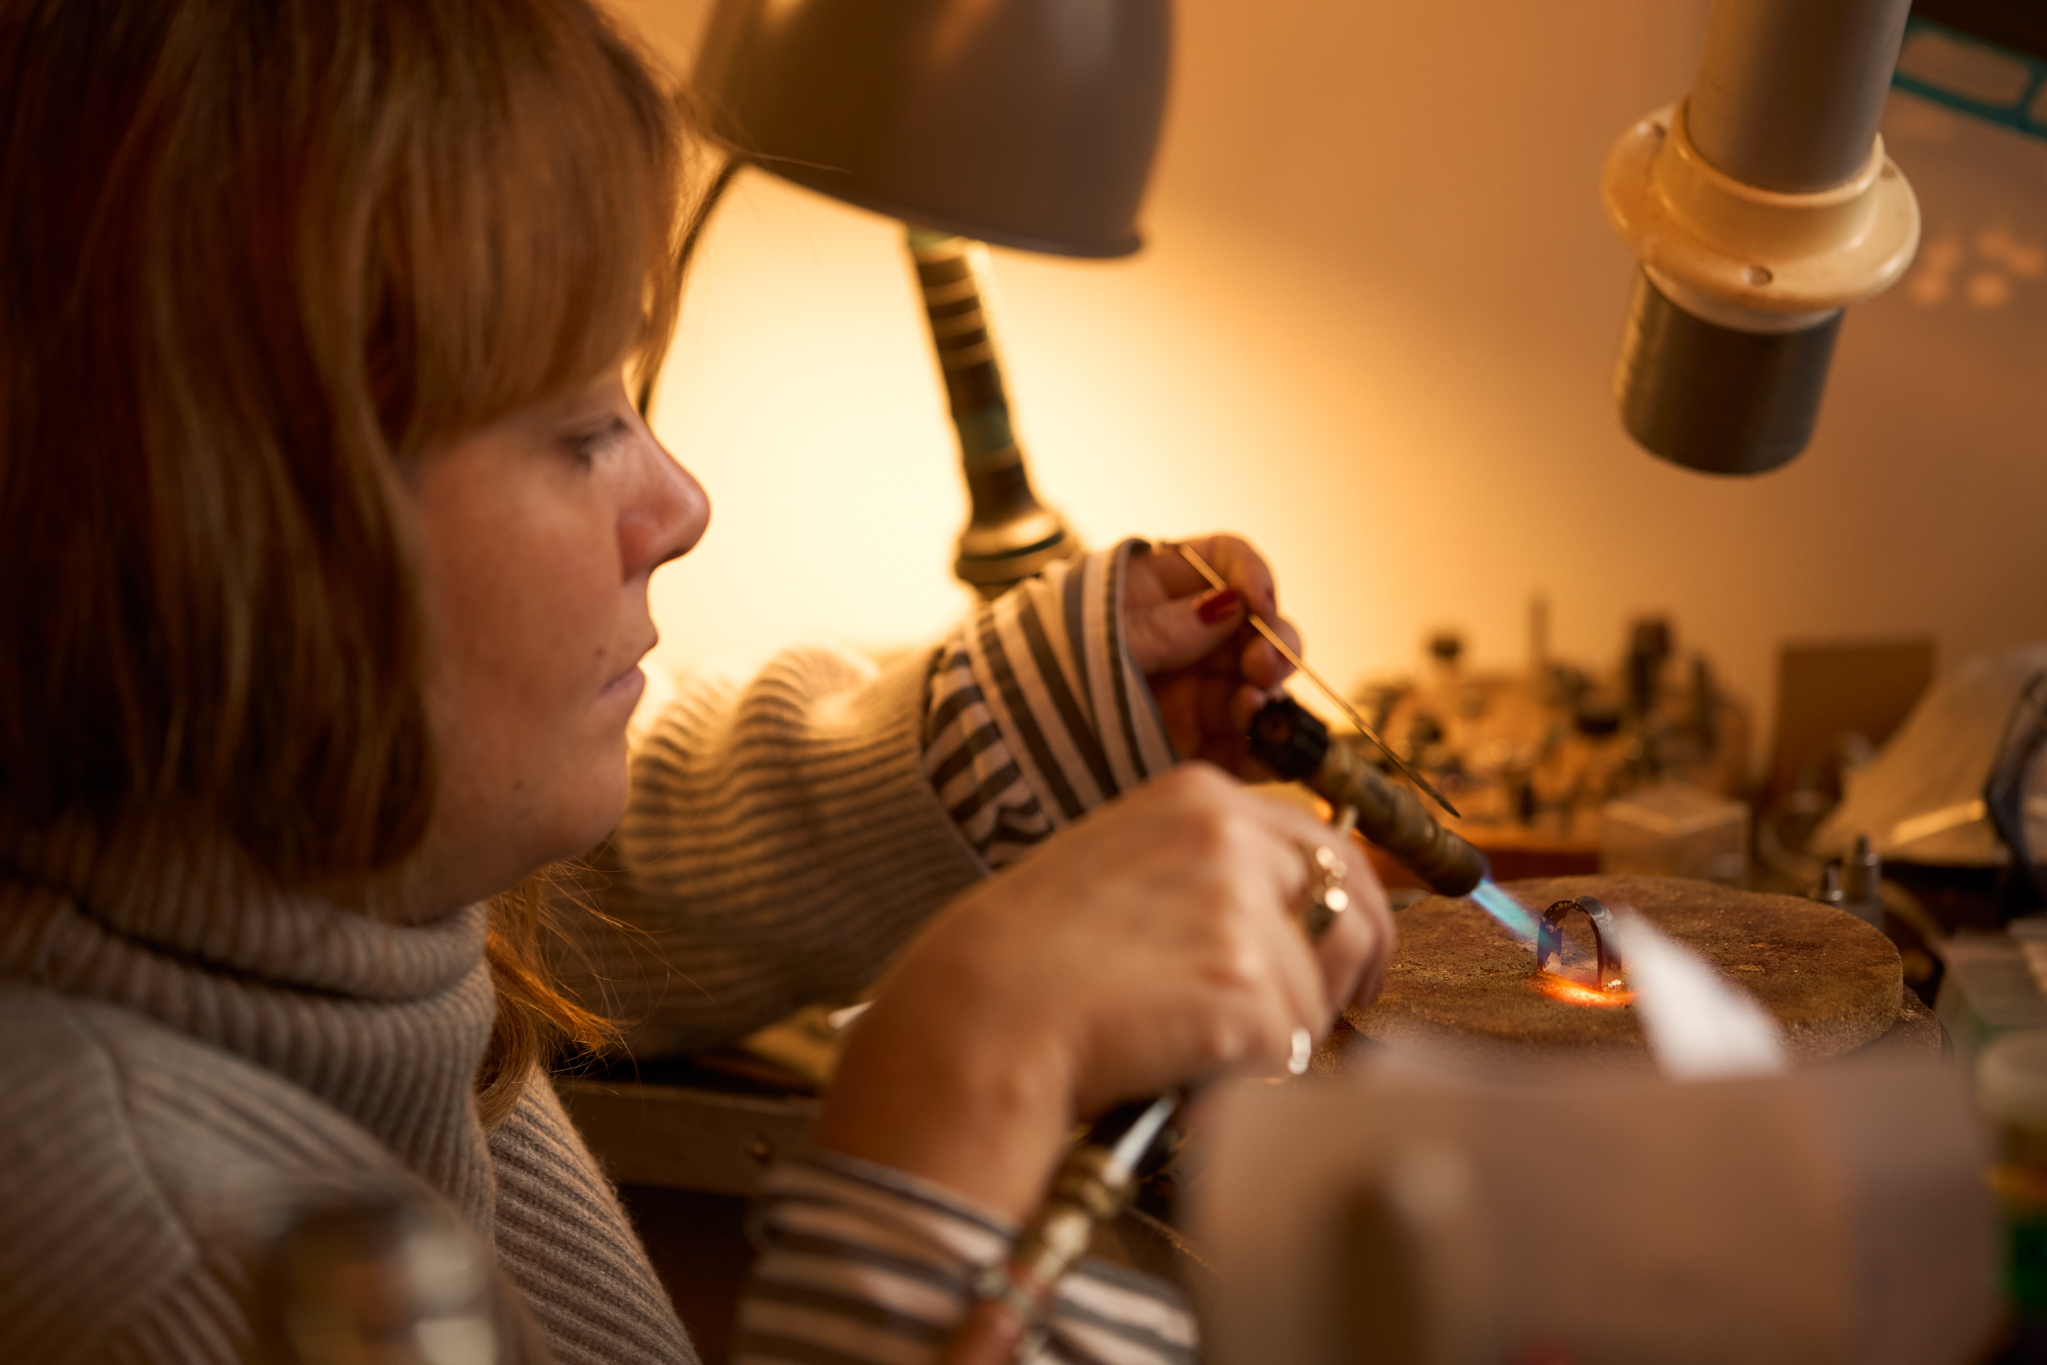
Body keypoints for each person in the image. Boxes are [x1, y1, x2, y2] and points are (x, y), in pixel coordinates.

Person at [0, 2, 1394, 1363]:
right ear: (238, 533)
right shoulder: (152, 1266)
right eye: (577, 427)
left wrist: (1029, 716)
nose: (681, 507)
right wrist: (947, 1103)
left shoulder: (299, 884)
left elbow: (596, 886)